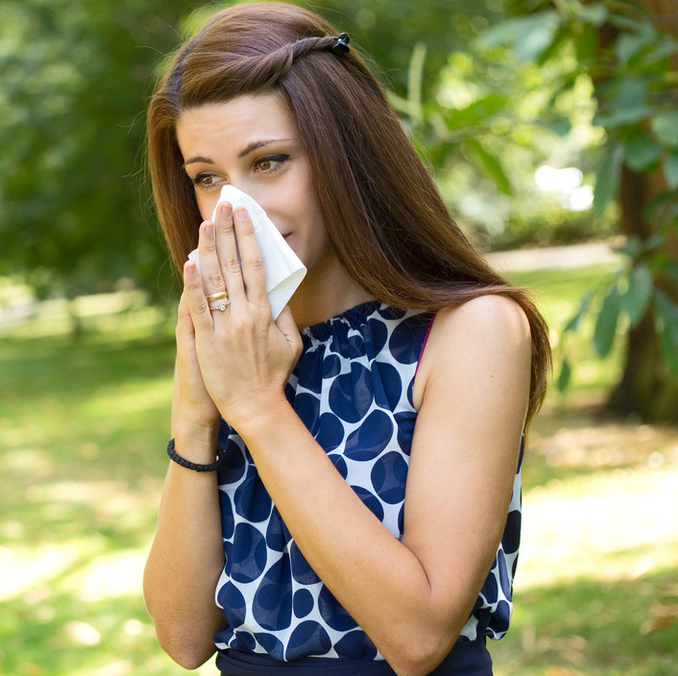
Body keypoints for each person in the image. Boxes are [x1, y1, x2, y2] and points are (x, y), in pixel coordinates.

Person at [140, 3, 551, 675]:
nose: (238, 210)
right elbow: (185, 638)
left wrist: (259, 410)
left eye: (269, 162)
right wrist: (194, 415)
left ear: (346, 157)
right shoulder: (245, 342)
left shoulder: (469, 333)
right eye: (207, 177)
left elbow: (418, 636)